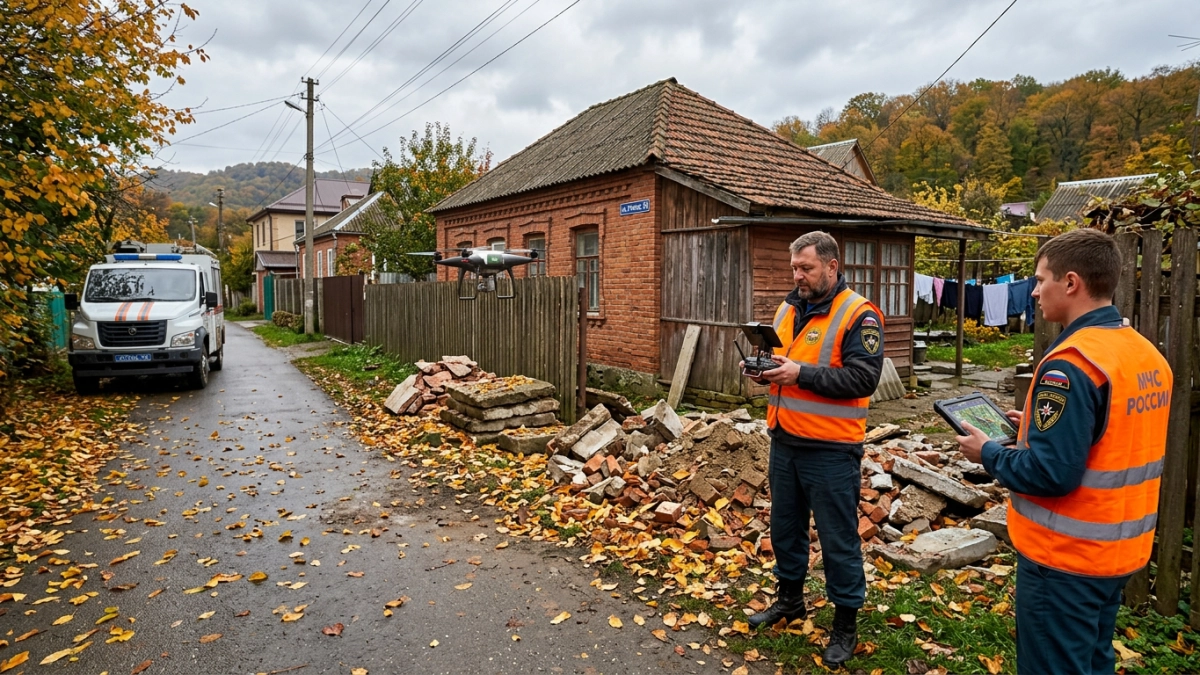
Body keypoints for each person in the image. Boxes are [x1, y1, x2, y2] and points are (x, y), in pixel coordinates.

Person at [957, 228, 1172, 674]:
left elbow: (1052, 474)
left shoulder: (1072, 364)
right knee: (1093, 660)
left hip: (1066, 558)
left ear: (1071, 283)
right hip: (1119, 552)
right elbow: (1108, 437)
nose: (1033, 291)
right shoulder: (1145, 354)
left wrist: (990, 453)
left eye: (1040, 280)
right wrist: (1035, 429)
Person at [742, 231, 884, 669]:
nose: (798, 276)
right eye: (794, 268)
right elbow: (782, 361)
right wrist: (763, 370)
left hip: (831, 449)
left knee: (838, 539)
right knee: (785, 529)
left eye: (806, 268)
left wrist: (800, 374)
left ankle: (845, 624)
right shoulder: (788, 307)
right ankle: (790, 601)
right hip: (785, 440)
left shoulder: (859, 315)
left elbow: (863, 380)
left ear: (832, 266)